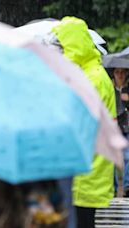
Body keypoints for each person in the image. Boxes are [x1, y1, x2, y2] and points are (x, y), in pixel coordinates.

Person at [52, 17, 117, 228]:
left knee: (81, 222)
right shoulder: (93, 73)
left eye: (62, 46)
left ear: (74, 45)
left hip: (85, 168)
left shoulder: (93, 78)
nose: (60, 52)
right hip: (87, 166)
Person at [110, 67, 129, 196]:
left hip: (127, 126)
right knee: (113, 157)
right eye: (117, 72)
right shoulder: (109, 88)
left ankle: (127, 185)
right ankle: (114, 186)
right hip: (114, 126)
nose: (120, 75)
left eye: (123, 72)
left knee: (127, 157)